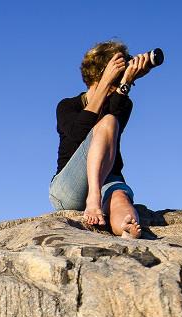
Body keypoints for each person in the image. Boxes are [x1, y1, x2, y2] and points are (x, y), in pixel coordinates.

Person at [49, 40, 152, 238]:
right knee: (108, 122)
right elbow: (77, 135)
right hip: (69, 188)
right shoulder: (67, 106)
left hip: (108, 178)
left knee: (120, 197)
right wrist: (106, 82)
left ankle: (126, 227)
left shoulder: (122, 103)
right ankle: (94, 199)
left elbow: (113, 118)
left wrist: (125, 84)